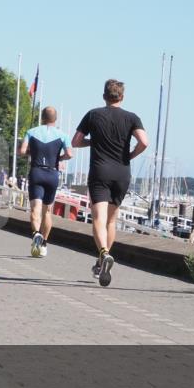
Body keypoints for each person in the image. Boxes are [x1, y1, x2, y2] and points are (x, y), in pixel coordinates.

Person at [72, 80, 148, 287]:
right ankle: (101, 262)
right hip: (122, 173)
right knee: (111, 221)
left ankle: (103, 253)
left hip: (100, 172)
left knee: (98, 218)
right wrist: (130, 155)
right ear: (122, 97)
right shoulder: (132, 118)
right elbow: (144, 141)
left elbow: (75, 141)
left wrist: (93, 141)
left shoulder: (93, 115)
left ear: (104, 96)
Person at [19, 107, 73, 258]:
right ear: (55, 119)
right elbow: (70, 154)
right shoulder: (63, 135)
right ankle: (44, 244)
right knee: (47, 211)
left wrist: (33, 153)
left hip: (36, 172)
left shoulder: (31, 132)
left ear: (42, 117)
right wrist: (59, 159)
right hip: (52, 173)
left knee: (35, 209)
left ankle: (36, 233)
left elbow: (22, 151)